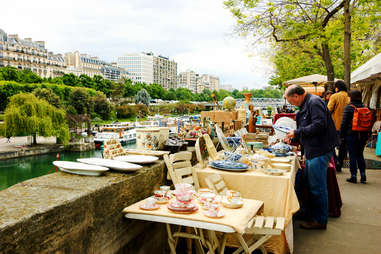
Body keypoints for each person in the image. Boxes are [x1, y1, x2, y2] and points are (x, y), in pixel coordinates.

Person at [284, 85, 338, 230]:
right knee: (310, 183)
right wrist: (295, 137)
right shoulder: (309, 103)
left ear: (296, 96)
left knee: (317, 187)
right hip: (314, 149)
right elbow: (310, 126)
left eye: (291, 101)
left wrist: (296, 132)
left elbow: (319, 125)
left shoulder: (313, 102)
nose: (291, 104)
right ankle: (310, 213)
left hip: (319, 149)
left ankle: (319, 220)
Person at [340, 90, 370, 184]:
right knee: (360, 154)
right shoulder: (365, 107)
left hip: (351, 134)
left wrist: (341, 135)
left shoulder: (349, 108)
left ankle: (353, 176)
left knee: (352, 155)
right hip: (363, 134)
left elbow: (344, 123)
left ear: (351, 97)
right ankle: (363, 174)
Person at [328, 80, 349, 172]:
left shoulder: (335, 96)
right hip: (348, 126)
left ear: (337, 88)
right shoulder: (349, 96)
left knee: (331, 144)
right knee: (343, 146)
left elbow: (328, 109)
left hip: (335, 125)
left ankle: (335, 162)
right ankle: (340, 163)